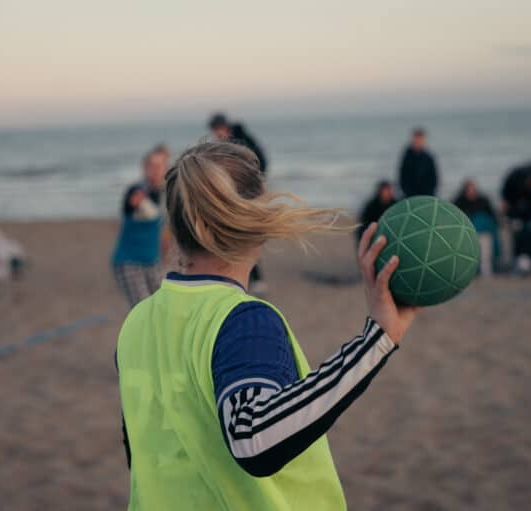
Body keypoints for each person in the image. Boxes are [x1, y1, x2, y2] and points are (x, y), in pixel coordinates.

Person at [115, 142, 419, 510]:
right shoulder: (243, 320)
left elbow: (143, 447)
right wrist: (378, 341)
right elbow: (253, 439)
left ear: (176, 226)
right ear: (256, 222)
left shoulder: (136, 322)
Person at [209, 112, 268, 293]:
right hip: (238, 194)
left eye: (216, 130)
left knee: (245, 236)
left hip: (247, 196)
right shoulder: (230, 141)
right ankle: (247, 277)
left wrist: (249, 186)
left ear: (223, 127)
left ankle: (255, 279)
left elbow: (260, 163)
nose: (215, 134)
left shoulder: (240, 141)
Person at [111, 147, 168, 306]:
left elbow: (164, 229)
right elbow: (139, 205)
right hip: (129, 262)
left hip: (153, 261)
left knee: (162, 306)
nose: (157, 170)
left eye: (161, 165)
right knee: (143, 309)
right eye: (152, 165)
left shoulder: (165, 193)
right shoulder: (136, 191)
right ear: (145, 168)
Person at [454, 179, 501, 275]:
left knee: (485, 240)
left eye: (473, 189)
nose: (471, 191)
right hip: (467, 233)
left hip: (482, 232)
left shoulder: (483, 201)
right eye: (469, 189)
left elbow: (493, 218)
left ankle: (485, 270)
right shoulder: (460, 201)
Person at [398, 127, 438, 197]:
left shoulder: (429, 158)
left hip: (427, 195)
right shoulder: (406, 157)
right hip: (410, 195)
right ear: (413, 139)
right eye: (417, 139)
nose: (418, 142)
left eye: (421, 139)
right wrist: (408, 193)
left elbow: (434, 178)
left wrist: (429, 193)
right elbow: (402, 178)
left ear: (424, 140)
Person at [357, 180, 396, 244]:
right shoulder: (371, 206)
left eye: (389, 190)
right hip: (374, 235)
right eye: (386, 190)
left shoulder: (395, 204)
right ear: (380, 191)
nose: (388, 192)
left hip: (391, 235)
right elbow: (363, 224)